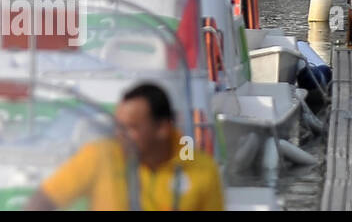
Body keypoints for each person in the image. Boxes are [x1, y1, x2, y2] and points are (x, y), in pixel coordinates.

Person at [26, 83, 224, 211]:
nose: (120, 135)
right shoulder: (101, 155)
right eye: (118, 126)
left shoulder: (202, 171)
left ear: (162, 128)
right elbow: (43, 200)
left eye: (130, 128)